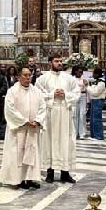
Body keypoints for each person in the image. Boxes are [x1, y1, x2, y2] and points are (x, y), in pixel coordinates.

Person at [36, 54, 80, 184]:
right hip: (51, 113)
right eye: (56, 61)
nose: (59, 63)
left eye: (61, 61)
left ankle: (65, 172)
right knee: (50, 141)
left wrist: (65, 94)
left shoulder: (69, 78)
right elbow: (38, 95)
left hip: (65, 113)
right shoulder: (43, 79)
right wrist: (52, 94)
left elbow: (77, 94)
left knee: (65, 141)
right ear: (50, 62)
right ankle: (50, 172)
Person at [0, 68, 46, 189]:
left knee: (32, 153)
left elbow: (42, 107)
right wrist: (24, 121)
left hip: (32, 128)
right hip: (19, 129)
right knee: (18, 153)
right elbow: (10, 109)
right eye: (25, 75)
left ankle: (30, 178)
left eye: (29, 75)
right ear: (18, 77)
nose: (28, 77)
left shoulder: (36, 91)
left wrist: (37, 120)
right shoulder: (12, 91)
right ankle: (18, 179)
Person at [87, 67, 106, 140]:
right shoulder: (97, 81)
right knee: (92, 119)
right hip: (94, 100)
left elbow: (95, 93)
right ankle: (93, 135)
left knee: (97, 119)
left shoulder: (101, 82)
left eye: (94, 73)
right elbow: (93, 90)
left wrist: (87, 86)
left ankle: (98, 136)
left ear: (97, 74)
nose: (93, 75)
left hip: (98, 100)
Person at [72, 66, 88, 139]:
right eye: (79, 72)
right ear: (75, 71)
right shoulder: (72, 79)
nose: (81, 73)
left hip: (83, 95)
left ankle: (82, 133)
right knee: (75, 114)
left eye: (82, 72)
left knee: (82, 114)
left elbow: (87, 88)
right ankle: (75, 133)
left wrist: (88, 101)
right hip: (75, 96)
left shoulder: (84, 79)